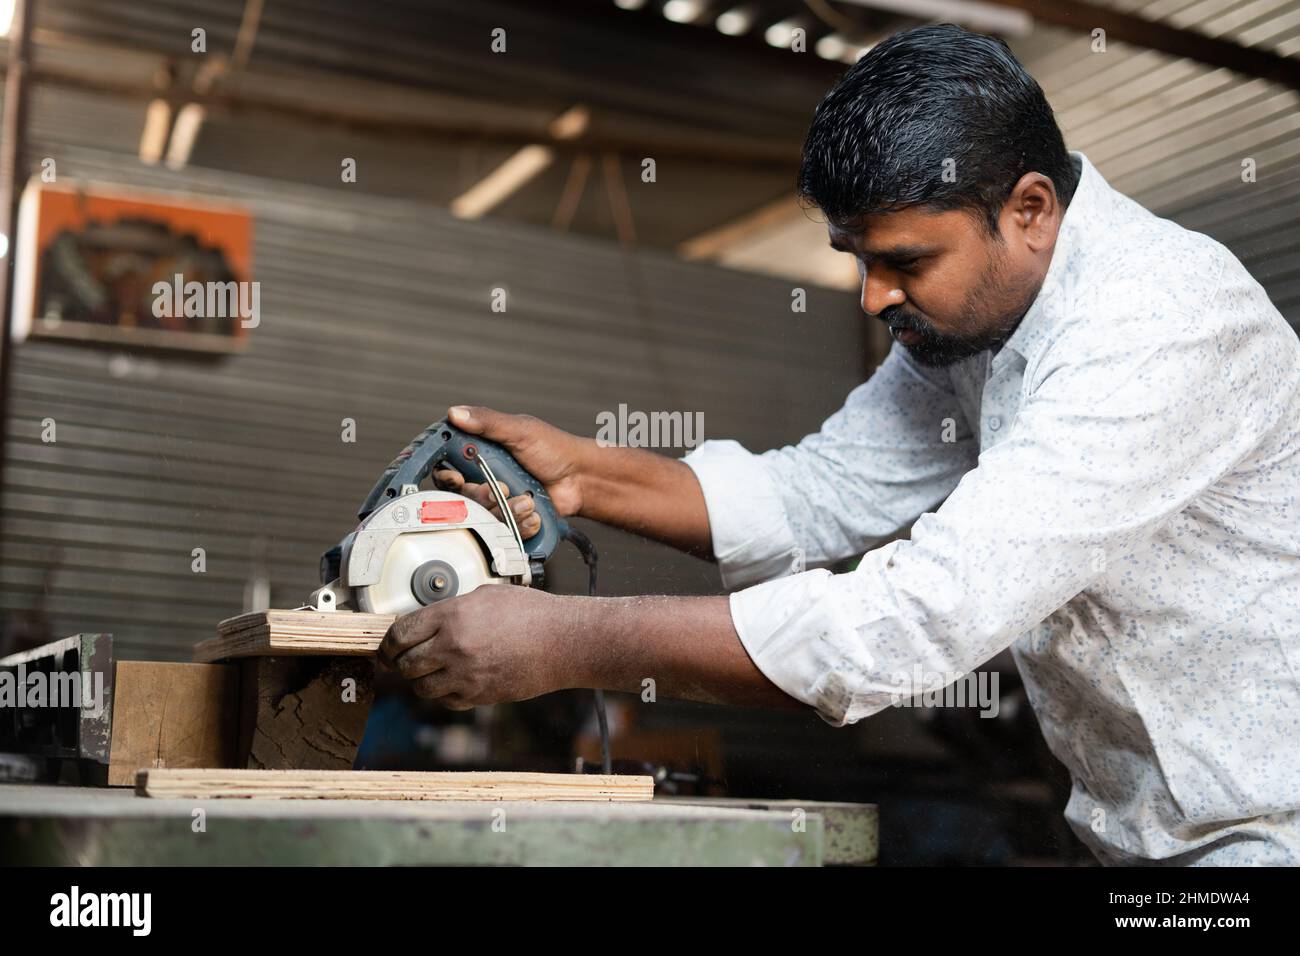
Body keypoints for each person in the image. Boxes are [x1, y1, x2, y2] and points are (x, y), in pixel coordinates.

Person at [378, 25, 1300, 865]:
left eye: (905, 261)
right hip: (1148, 842)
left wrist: (568, 642)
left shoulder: (1156, 327)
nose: (872, 296)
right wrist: (584, 473)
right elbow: (818, 493)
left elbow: (910, 620)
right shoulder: (976, 322)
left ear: (1029, 210)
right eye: (860, 260)